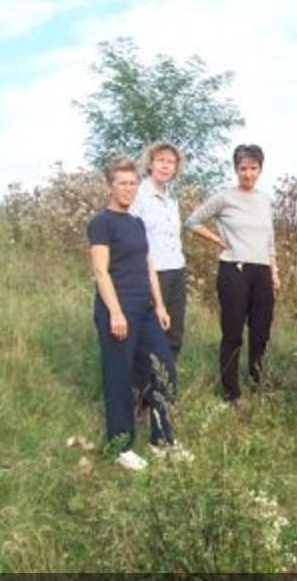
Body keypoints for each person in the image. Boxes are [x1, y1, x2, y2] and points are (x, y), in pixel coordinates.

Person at [87, 156, 191, 471]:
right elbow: (101, 272)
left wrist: (158, 305)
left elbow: (148, 265)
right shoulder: (101, 222)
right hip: (117, 310)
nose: (128, 189)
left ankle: (163, 440)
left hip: (144, 309)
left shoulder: (136, 222)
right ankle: (120, 445)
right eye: (122, 183)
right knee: (118, 377)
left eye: (133, 183)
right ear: (110, 186)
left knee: (164, 370)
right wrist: (116, 313)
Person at [185, 144, 280, 406]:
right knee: (233, 333)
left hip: (262, 271)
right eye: (243, 168)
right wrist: (218, 240)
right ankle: (231, 392)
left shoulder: (264, 200)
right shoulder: (225, 197)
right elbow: (192, 221)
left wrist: (275, 272)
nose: (248, 174)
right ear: (235, 169)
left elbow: (269, 239)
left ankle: (258, 380)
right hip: (233, 269)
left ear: (260, 169)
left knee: (260, 332)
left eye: (253, 168)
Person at [130, 141, 187, 359]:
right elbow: (132, 238)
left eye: (170, 162)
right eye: (160, 160)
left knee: (174, 332)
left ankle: (166, 386)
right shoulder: (139, 195)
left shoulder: (172, 198)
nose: (165, 166)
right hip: (151, 272)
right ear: (150, 164)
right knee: (152, 331)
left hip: (176, 270)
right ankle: (144, 388)